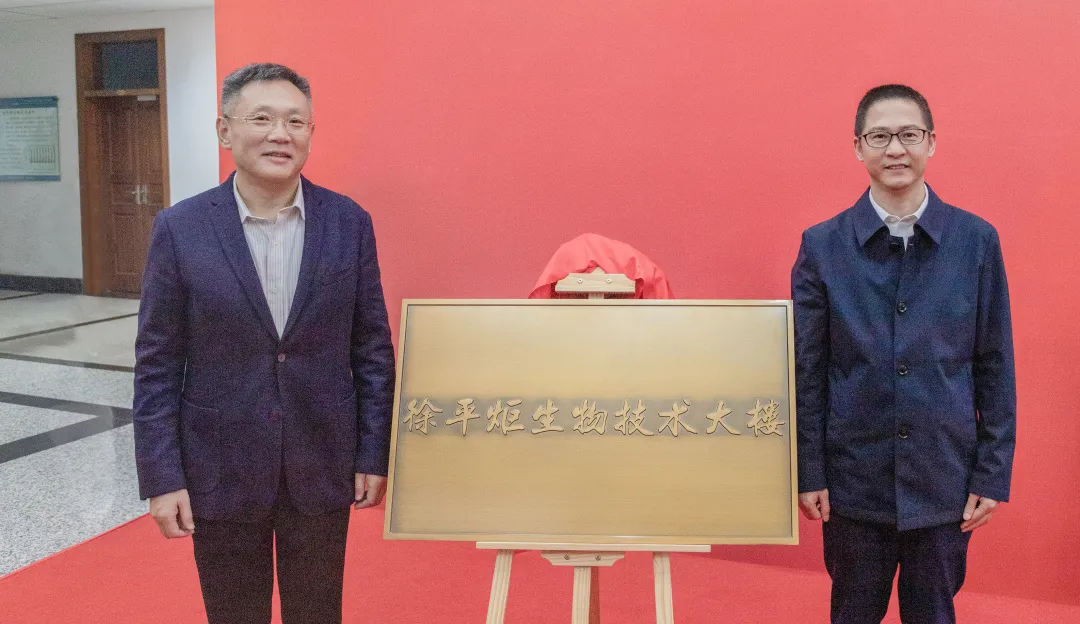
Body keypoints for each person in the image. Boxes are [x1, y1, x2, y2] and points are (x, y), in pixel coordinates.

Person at [133, 62, 396, 624]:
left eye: (296, 121)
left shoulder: (348, 223)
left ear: (310, 133)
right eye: (262, 119)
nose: (281, 134)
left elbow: (372, 349)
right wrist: (162, 476)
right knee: (233, 613)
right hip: (218, 464)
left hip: (322, 460)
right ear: (225, 130)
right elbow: (157, 364)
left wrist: (374, 452)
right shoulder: (181, 229)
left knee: (317, 612)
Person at [791, 84, 1016, 623]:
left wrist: (991, 474)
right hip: (853, 482)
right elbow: (807, 370)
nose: (895, 149)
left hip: (944, 479)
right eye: (880, 136)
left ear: (931, 142)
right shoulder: (822, 246)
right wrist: (809, 470)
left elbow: (994, 363)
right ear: (858, 147)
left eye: (909, 135)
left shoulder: (976, 241)